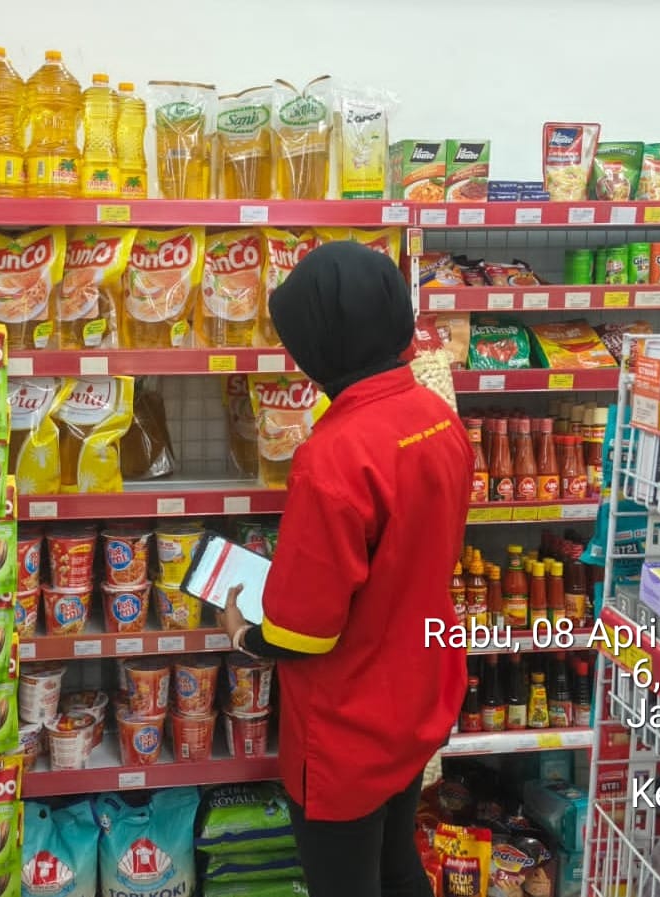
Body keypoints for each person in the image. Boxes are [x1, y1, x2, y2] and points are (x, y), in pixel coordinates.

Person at [220, 241, 472, 897]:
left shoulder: (333, 455)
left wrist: (242, 631)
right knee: (396, 864)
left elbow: (304, 629)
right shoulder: (437, 419)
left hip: (348, 721)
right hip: (416, 693)